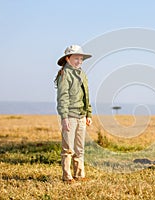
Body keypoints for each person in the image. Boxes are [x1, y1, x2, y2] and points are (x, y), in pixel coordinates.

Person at [54, 44, 92, 183]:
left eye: (81, 58)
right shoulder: (64, 74)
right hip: (70, 116)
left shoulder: (82, 74)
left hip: (81, 115)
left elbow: (86, 95)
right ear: (68, 59)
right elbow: (62, 97)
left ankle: (79, 174)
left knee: (79, 148)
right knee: (68, 148)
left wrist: (88, 114)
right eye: (76, 58)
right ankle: (67, 176)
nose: (79, 61)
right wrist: (64, 118)